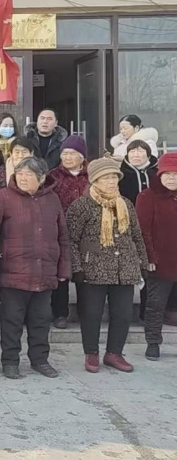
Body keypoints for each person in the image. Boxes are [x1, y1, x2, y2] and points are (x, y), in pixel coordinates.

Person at [0, 156, 71, 379]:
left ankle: (40, 360)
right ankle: (10, 362)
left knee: (41, 321)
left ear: (42, 178)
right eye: (20, 173)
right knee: (11, 322)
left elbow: (63, 236)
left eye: (29, 174)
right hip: (13, 272)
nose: (23, 178)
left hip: (45, 272)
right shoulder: (3, 197)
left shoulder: (52, 199)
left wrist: (64, 269)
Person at [67, 158, 149, 374]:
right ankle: (91, 352)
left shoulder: (126, 204)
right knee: (91, 314)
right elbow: (71, 240)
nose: (112, 182)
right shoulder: (81, 205)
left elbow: (136, 236)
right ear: (94, 180)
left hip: (124, 267)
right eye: (106, 178)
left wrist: (142, 262)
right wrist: (76, 268)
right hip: (92, 268)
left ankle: (114, 353)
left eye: (114, 177)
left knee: (122, 314)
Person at [136, 152, 177, 361]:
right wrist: (149, 257)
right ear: (160, 175)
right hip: (160, 262)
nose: (172, 178)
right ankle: (153, 342)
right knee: (155, 305)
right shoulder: (147, 196)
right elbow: (143, 230)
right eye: (167, 174)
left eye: (176, 174)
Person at [49, 135, 89, 329]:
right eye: (64, 153)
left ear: (82, 156)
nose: (67, 157)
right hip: (60, 231)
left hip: (87, 233)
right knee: (61, 274)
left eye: (72, 153)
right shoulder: (53, 176)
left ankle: (85, 312)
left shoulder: (91, 176)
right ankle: (60, 314)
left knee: (85, 274)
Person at [120, 140, 158, 206]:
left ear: (148, 156)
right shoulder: (120, 174)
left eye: (140, 151)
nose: (136, 155)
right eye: (132, 151)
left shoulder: (158, 173)